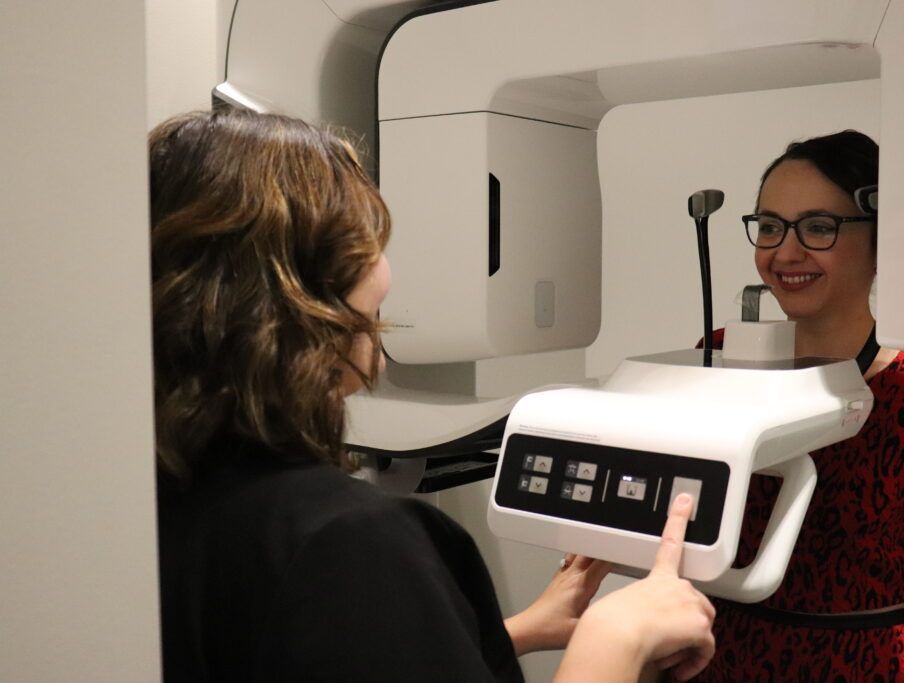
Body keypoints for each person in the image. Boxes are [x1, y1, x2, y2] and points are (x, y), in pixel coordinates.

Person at [151, 109, 715, 683]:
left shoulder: (157, 499)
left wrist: (509, 633)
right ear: (307, 283)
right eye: (366, 240)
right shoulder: (348, 542)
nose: (387, 275)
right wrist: (616, 638)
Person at [692, 130, 904, 682]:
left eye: (818, 227)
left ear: (882, 240)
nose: (785, 253)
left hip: (862, 665)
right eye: (769, 226)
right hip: (712, 660)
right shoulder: (715, 355)